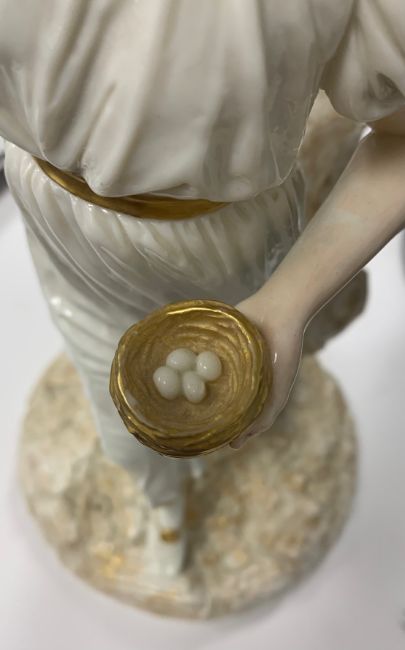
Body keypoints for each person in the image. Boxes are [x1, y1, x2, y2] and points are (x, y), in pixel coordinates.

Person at [1, 0, 404, 574]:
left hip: (220, 233)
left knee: (209, 402)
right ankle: (162, 503)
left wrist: (286, 305)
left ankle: (173, 490)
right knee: (112, 396)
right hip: (49, 206)